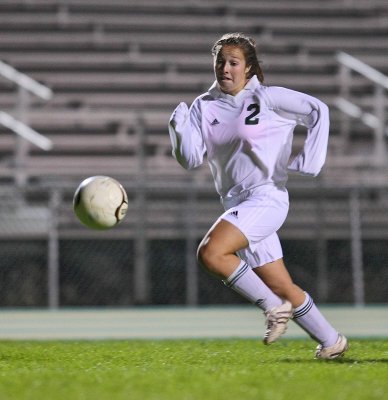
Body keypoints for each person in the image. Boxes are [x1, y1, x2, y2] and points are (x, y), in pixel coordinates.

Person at [168, 32, 348, 359]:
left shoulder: (268, 98)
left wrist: (311, 160)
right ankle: (331, 341)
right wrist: (177, 130)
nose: (225, 68)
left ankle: (271, 308)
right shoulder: (203, 106)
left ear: (248, 68)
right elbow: (191, 159)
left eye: (233, 62)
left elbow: (318, 110)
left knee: (211, 253)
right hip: (237, 205)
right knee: (282, 285)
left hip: (267, 199)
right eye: (220, 61)